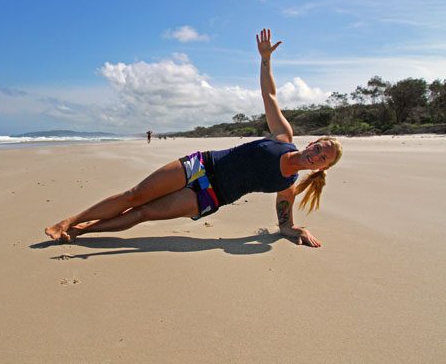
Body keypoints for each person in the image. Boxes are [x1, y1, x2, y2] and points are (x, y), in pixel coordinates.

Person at [45, 29, 342, 247]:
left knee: (143, 213)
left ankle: (82, 232)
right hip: (201, 165)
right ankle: (69, 221)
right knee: (134, 195)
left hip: (209, 196)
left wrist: (295, 231)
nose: (317, 152)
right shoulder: (283, 136)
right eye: (319, 146)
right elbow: (270, 95)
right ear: (311, 143)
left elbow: (284, 223)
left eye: (323, 156)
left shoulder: (287, 187)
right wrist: (265, 60)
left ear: (321, 168)